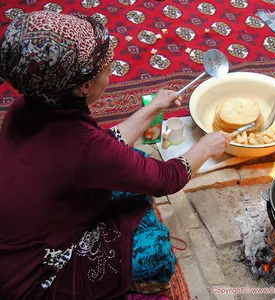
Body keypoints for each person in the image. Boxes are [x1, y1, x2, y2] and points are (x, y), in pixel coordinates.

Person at [0, 11, 231, 300]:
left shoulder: (24, 106)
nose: (109, 79)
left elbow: (104, 147)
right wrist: (205, 147)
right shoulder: (82, 146)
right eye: (107, 71)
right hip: (30, 278)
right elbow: (165, 179)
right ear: (84, 86)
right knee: (155, 250)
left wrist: (151, 109)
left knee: (127, 165)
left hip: (18, 237)